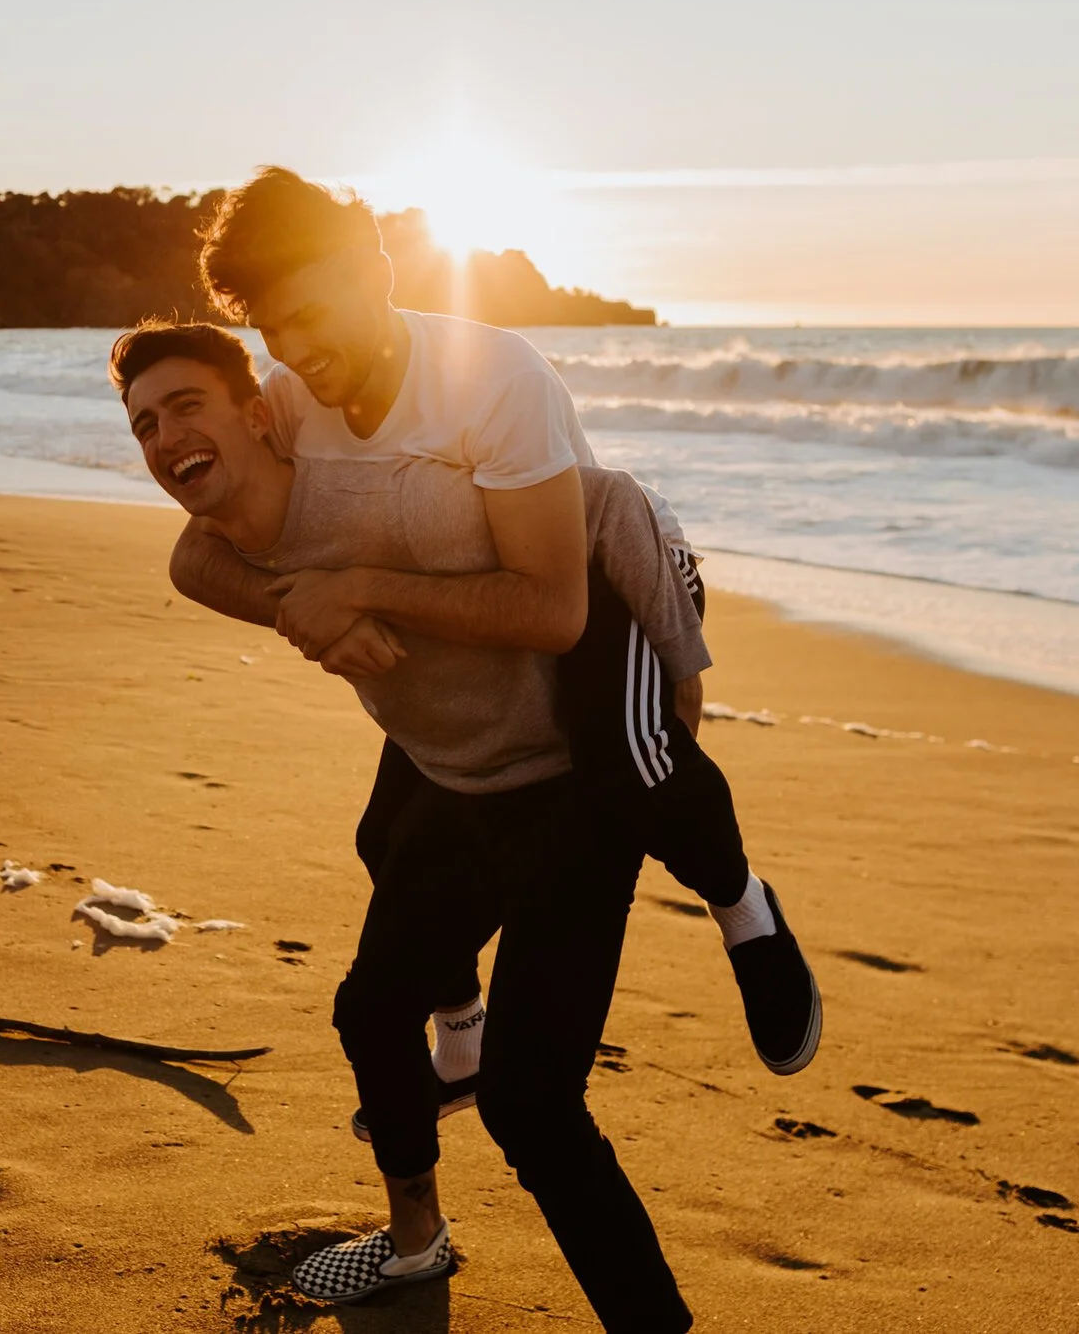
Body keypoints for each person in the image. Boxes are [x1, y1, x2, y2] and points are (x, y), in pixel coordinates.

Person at [117, 322, 715, 1325]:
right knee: (369, 1001)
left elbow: (598, 529)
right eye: (142, 424)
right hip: (459, 778)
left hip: (576, 786)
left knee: (534, 1108)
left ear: (262, 414)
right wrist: (297, 606)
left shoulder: (392, 488)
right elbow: (192, 560)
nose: (163, 433)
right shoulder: (226, 537)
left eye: (185, 405)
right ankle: (415, 1238)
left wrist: (675, 737)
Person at [174, 168, 818, 1076]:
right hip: (477, 605)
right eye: (273, 328)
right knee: (379, 840)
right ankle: (464, 1031)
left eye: (311, 314)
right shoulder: (288, 401)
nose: (296, 348)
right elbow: (196, 552)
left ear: (374, 273)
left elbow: (565, 595)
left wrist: (680, 661)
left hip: (609, 580)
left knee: (638, 761)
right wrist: (302, 608)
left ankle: (745, 909)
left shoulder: (493, 376)